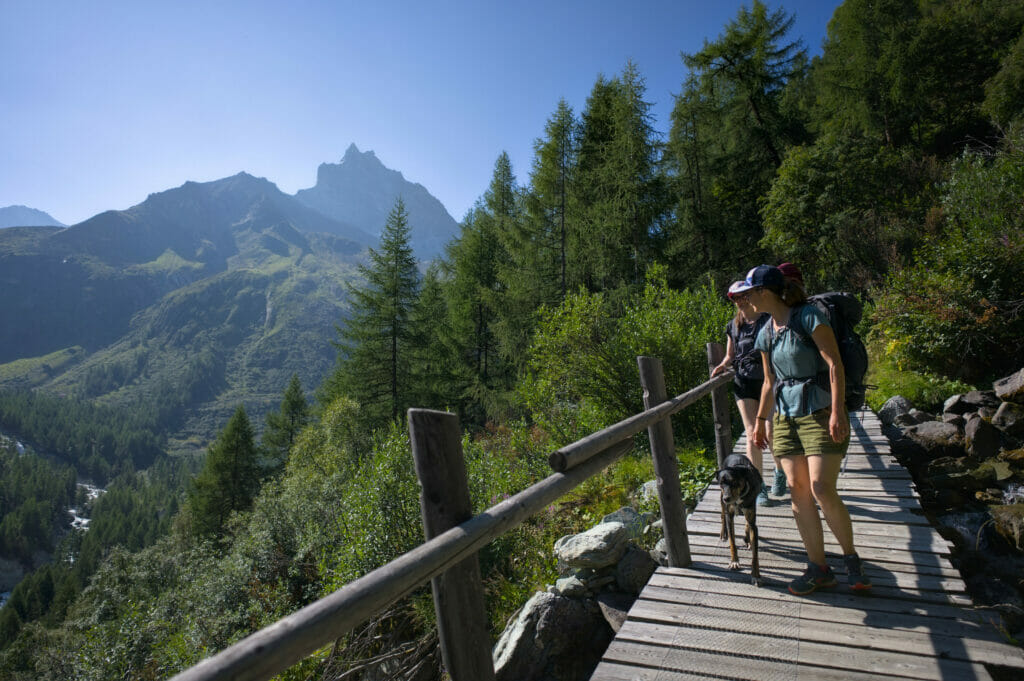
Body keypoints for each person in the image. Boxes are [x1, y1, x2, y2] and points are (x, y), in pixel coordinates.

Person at [734, 264, 872, 595]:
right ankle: (818, 568)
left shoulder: (808, 316)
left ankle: (852, 560)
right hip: (784, 416)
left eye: (749, 293)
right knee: (797, 489)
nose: (745, 299)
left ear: (764, 293)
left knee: (821, 487)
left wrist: (837, 411)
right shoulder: (767, 329)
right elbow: (769, 381)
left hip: (819, 411)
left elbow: (834, 364)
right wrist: (761, 422)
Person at [711, 280, 773, 506]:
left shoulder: (767, 318)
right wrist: (722, 366)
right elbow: (730, 355)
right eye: (735, 297)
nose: (739, 300)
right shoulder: (733, 325)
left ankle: (780, 473)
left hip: (768, 379)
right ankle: (760, 486)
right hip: (744, 379)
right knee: (751, 433)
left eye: (743, 295)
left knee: (769, 430)